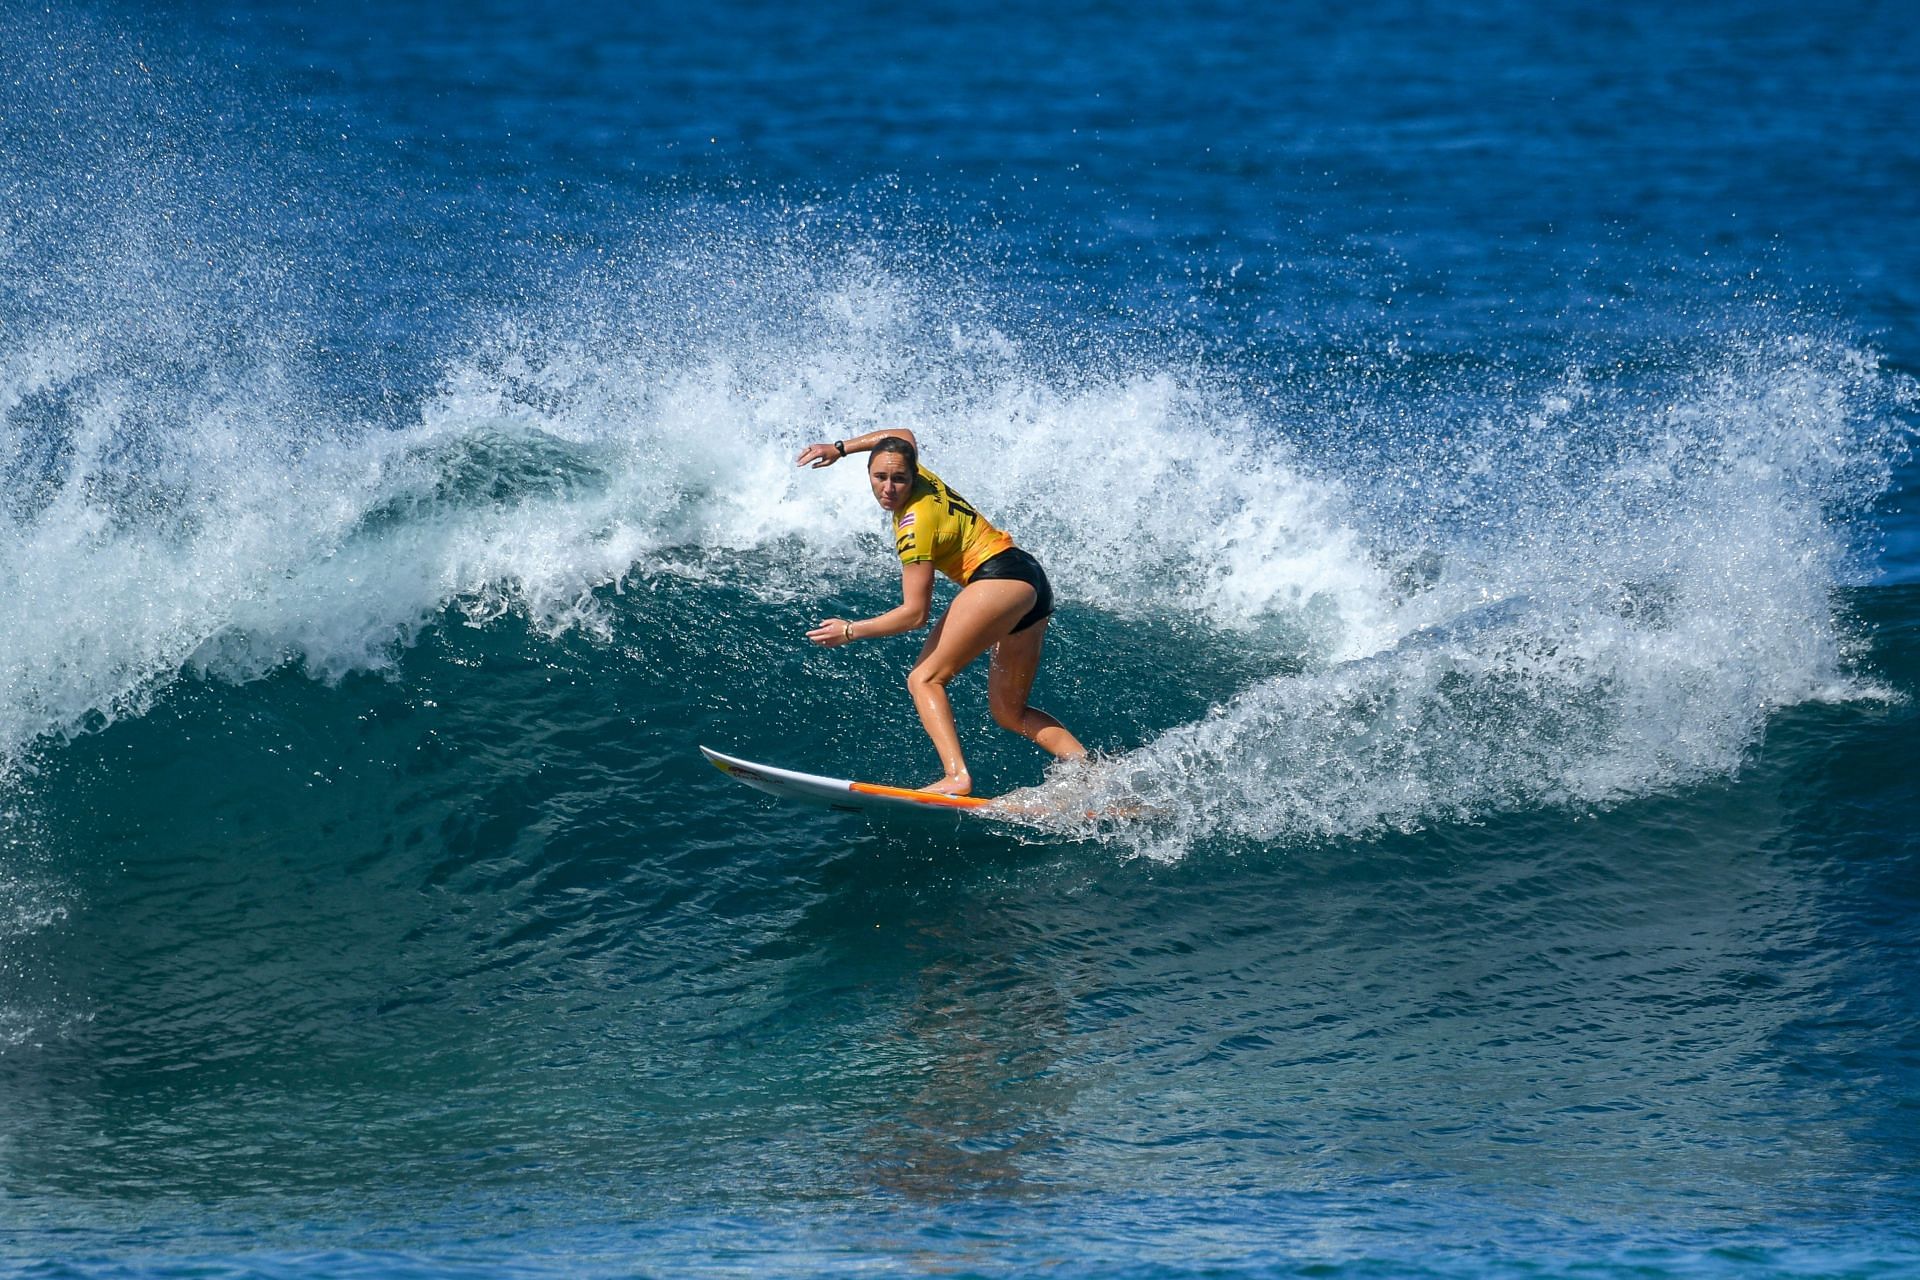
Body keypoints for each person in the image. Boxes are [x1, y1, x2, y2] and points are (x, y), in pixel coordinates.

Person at [796, 429, 1084, 795]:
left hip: (999, 578)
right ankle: (1087, 769)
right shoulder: (920, 472)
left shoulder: (913, 527)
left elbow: (915, 614)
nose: (889, 488)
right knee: (1010, 712)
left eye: (899, 479)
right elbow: (901, 434)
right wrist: (840, 449)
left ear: (912, 476)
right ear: (869, 473)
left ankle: (956, 777)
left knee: (924, 679)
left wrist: (850, 631)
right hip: (1030, 580)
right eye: (880, 477)